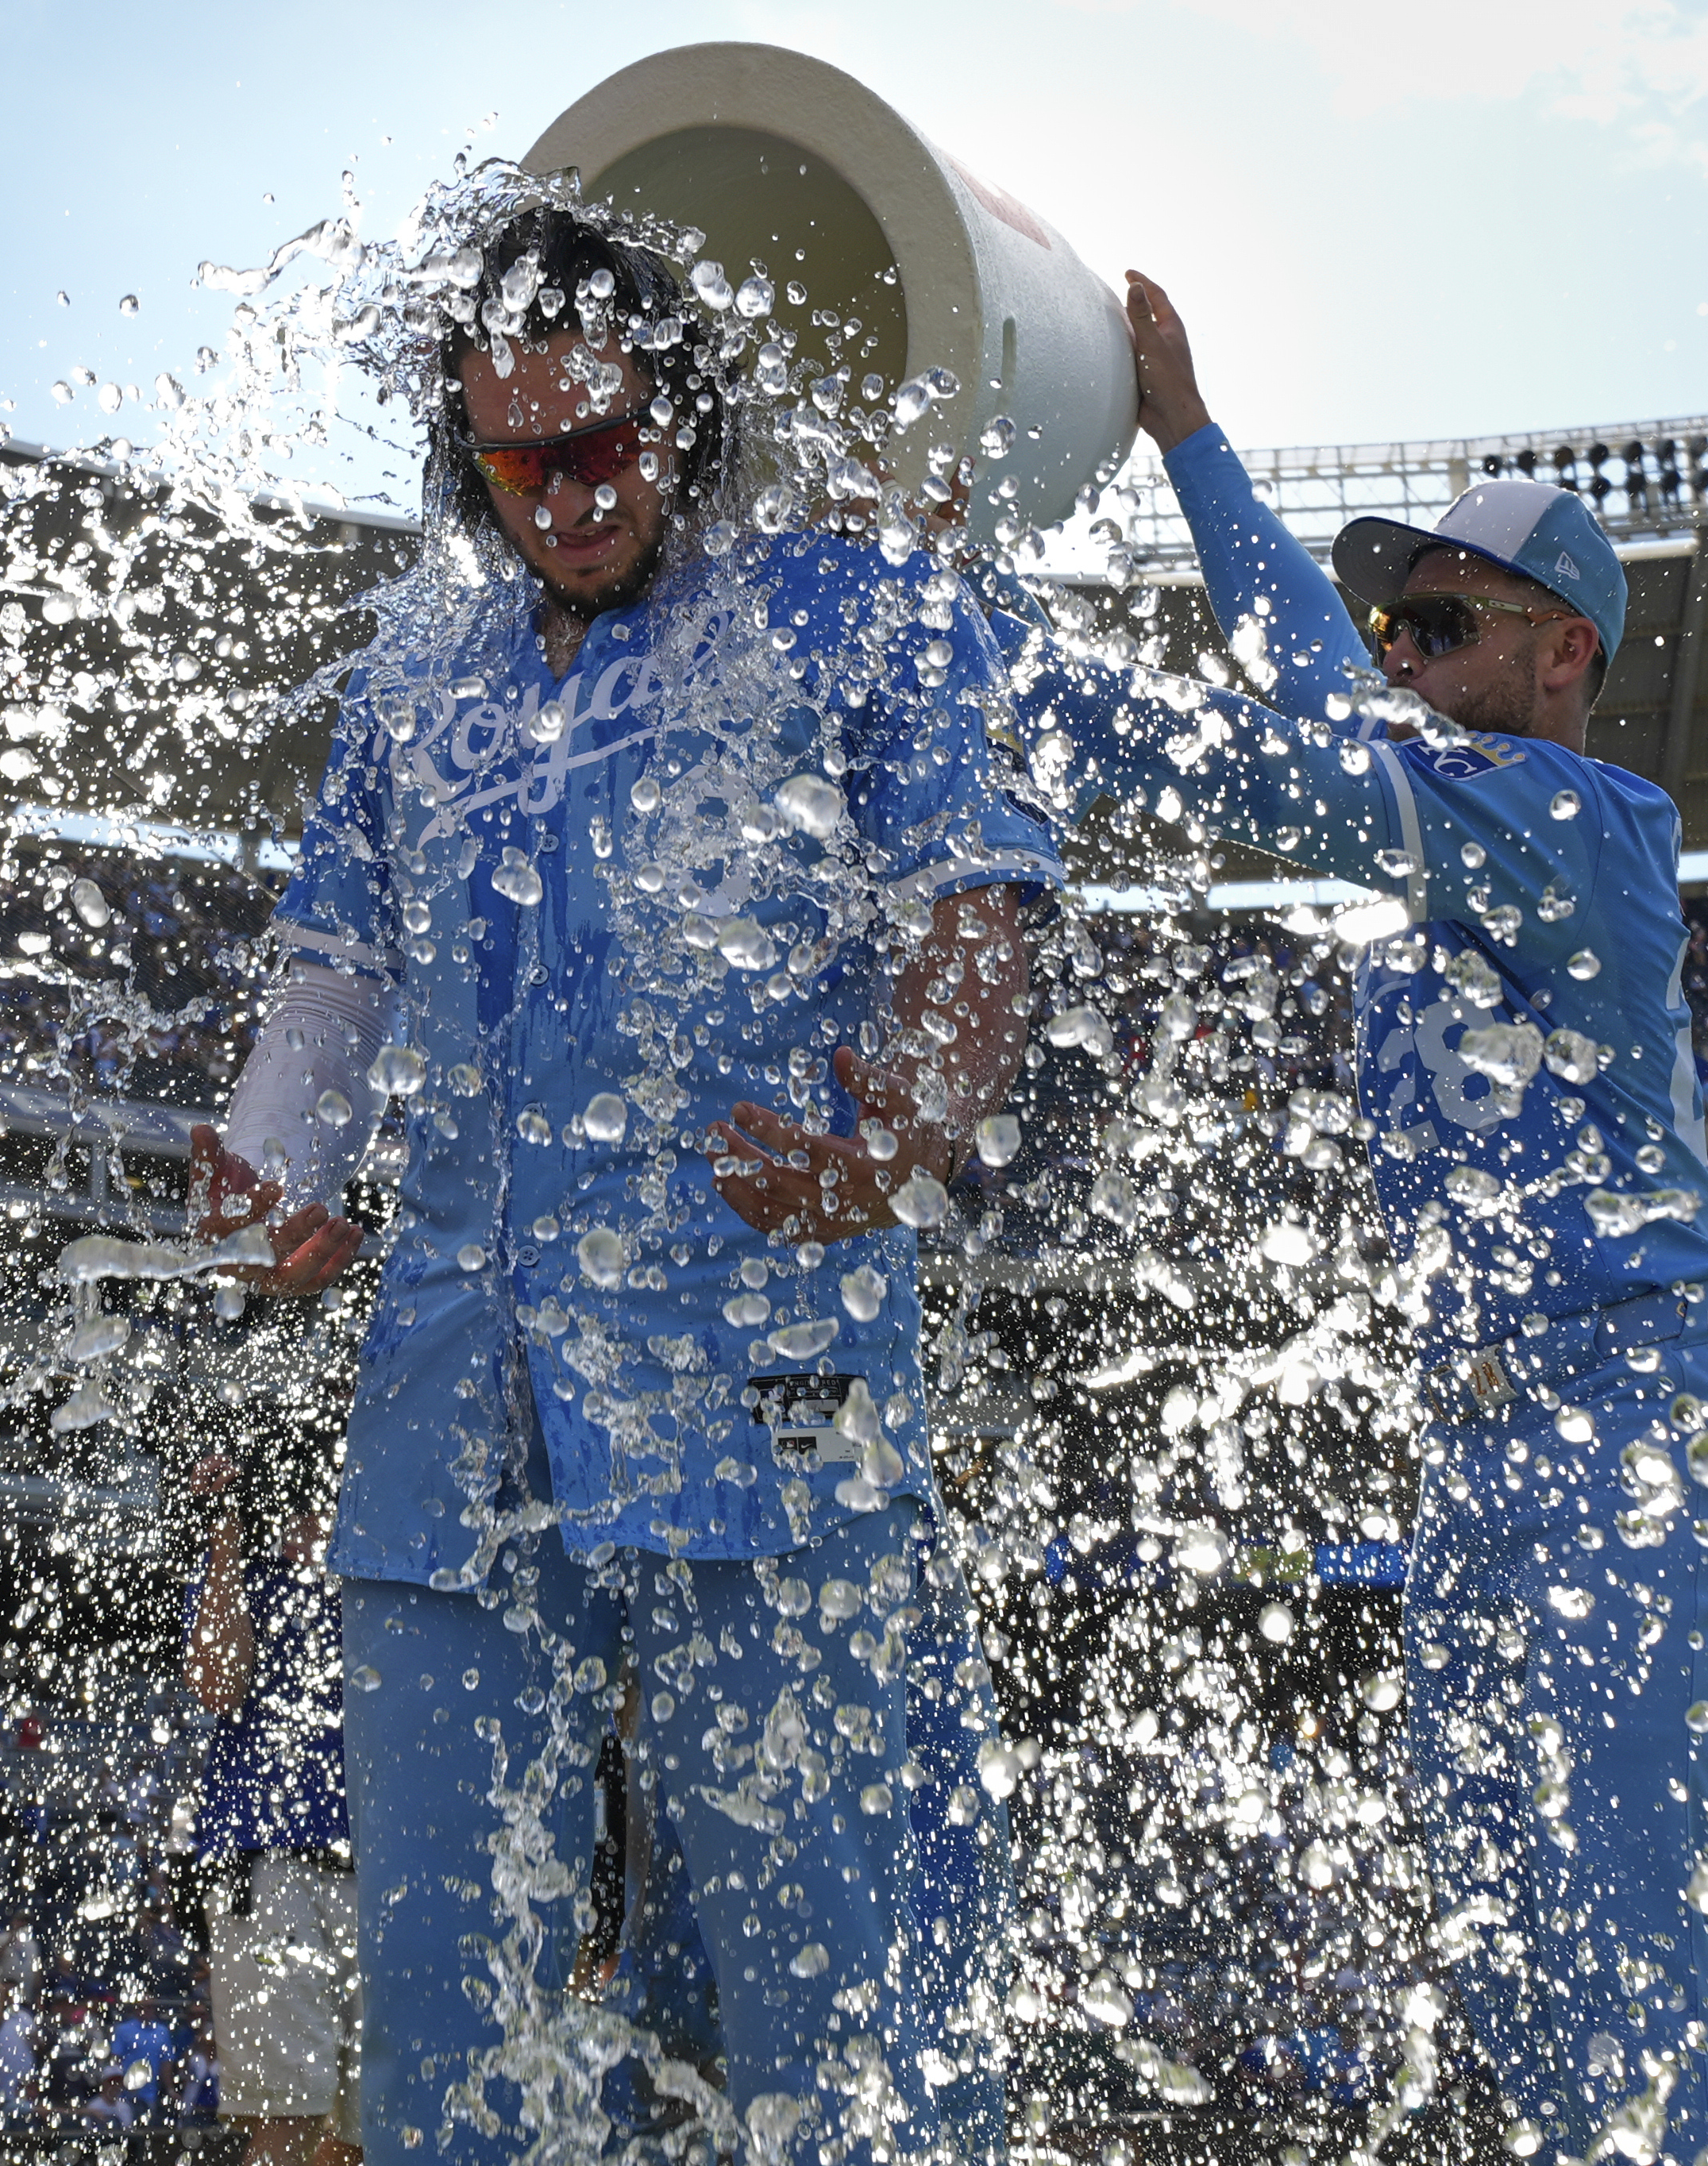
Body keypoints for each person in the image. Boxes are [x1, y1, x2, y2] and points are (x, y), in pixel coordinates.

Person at [187, 202, 1053, 2165]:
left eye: (598, 446)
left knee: (806, 1979)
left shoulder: (846, 607)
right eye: (515, 461)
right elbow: (330, 957)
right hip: (451, 1402)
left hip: (764, 1364)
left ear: (679, 409)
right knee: (437, 2004)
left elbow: (970, 896)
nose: (564, 498)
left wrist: (905, 1121)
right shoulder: (414, 664)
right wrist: (272, 1164)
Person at [1020, 271, 1708, 2164]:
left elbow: (1280, 758)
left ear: (1557, 657)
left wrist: (986, 662)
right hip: (1495, 1443)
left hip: (1636, 1429)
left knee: (1609, 1955)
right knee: (1513, 1958)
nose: (1395, 650)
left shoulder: (1573, 820)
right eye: (1396, 620)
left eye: (1439, 623)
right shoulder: (1433, 809)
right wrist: (1188, 440)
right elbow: (1309, 691)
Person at [183, 1445, 357, 2166]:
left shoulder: (378, 1587)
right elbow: (216, 1686)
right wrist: (223, 1531)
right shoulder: (245, 1578)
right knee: (287, 2123)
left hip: (372, 1873)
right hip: (270, 1869)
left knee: (362, 2133)